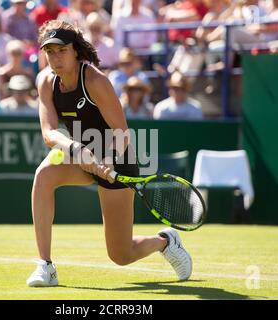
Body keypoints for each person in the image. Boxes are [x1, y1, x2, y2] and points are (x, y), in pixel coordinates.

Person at [26, 19, 192, 287]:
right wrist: (77, 149)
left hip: (118, 154)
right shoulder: (45, 81)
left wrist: (104, 159)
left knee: (121, 255)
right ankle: (45, 265)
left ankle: (165, 241)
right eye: (50, 52)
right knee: (43, 175)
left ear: (76, 51)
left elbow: (121, 132)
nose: (55, 58)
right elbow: (49, 133)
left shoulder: (94, 80)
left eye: (62, 50)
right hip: (78, 151)